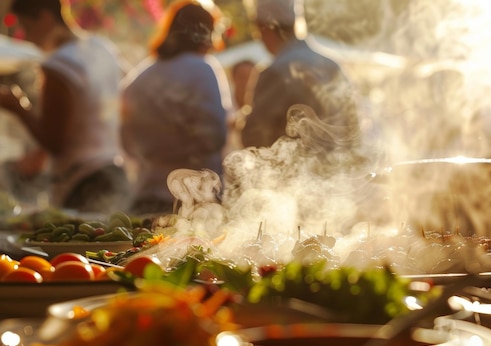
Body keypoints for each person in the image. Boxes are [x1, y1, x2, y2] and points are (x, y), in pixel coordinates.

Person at [0, 0, 129, 214]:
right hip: (114, 173)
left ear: (45, 17)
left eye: (26, 27)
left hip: (83, 182)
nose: (28, 38)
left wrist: (17, 107)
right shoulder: (102, 48)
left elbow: (54, 142)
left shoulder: (59, 65)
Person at [120, 0, 232, 215]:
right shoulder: (202, 69)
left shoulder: (141, 76)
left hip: (146, 197)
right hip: (195, 204)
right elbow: (215, 137)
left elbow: (127, 143)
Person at [240, 0, 361, 153]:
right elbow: (353, 125)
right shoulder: (331, 65)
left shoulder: (276, 72)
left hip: (295, 174)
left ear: (265, 27)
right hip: (338, 171)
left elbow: (254, 137)